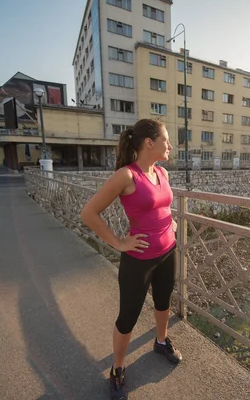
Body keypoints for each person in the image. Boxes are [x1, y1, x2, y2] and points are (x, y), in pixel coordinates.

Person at [80, 119, 181, 400]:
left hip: (168, 251)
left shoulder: (162, 173)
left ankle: (161, 342)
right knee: (128, 318)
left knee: (163, 303)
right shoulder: (126, 176)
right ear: (150, 143)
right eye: (166, 140)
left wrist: (170, 224)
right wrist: (119, 243)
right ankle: (118, 367)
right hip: (139, 260)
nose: (170, 146)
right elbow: (89, 213)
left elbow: (163, 206)